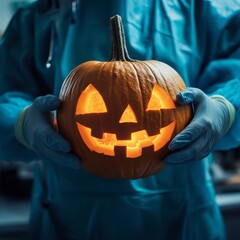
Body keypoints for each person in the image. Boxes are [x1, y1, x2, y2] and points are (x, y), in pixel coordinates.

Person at [0, 0, 240, 239]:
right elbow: (6, 91)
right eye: (97, 106)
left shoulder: (202, 8)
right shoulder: (36, 17)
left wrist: (227, 107)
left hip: (185, 216)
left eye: (153, 105)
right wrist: (20, 122)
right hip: (69, 217)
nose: (127, 121)